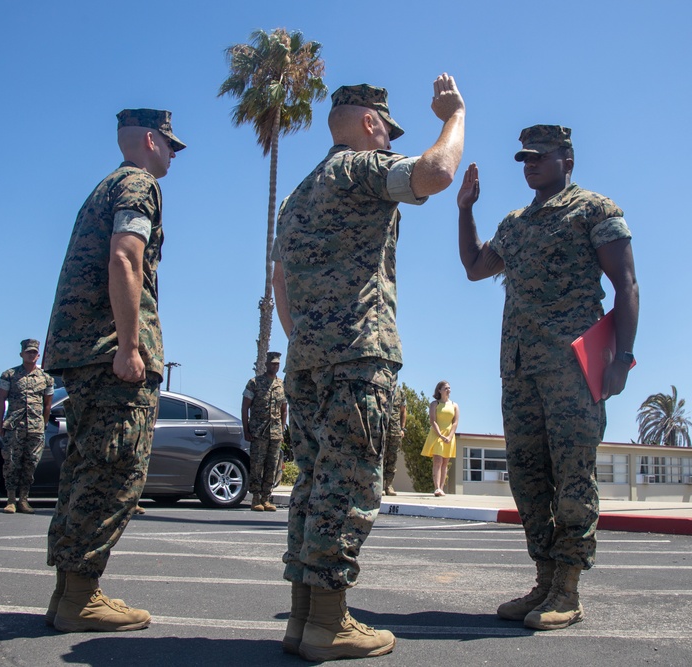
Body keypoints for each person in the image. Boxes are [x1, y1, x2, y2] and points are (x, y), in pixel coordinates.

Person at [272, 75, 466, 661]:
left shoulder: (299, 194)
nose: (388, 145)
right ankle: (328, 625)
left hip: (308, 360)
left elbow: (280, 282)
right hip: (358, 355)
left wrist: (308, 340)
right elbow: (435, 174)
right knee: (349, 485)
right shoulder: (357, 168)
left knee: (312, 485)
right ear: (371, 124)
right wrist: (455, 116)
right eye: (387, 133)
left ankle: (304, 618)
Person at [456, 125, 638, 631]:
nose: (529, 164)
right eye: (524, 158)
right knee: (528, 476)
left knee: (572, 475)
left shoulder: (595, 211)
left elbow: (626, 285)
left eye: (539, 156)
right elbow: (475, 266)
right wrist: (466, 209)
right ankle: (543, 579)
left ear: (567, 159)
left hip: (572, 369)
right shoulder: (515, 224)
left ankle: (569, 589)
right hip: (519, 370)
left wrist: (622, 357)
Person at [42, 108, 185, 633]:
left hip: (82, 351)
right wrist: (129, 347)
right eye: (171, 144)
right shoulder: (138, 185)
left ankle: (70, 594)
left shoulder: (105, 186)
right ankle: (80, 597)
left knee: (85, 471)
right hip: (109, 353)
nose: (173, 154)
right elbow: (125, 258)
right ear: (150, 140)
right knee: (114, 472)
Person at [0, 338, 54, 514]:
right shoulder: (9, 375)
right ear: (21, 354)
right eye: (28, 352)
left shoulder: (46, 378)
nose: (31, 355)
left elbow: (47, 405)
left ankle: (24, 500)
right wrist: (0, 425)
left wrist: (43, 424)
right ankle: (11, 500)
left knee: (31, 463)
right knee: (12, 462)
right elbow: (1, 400)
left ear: (38, 355)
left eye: (34, 352)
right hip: (15, 425)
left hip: (35, 427)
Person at [242, 351, 288, 511]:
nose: (275, 366)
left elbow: (284, 409)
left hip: (275, 433)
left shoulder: (281, 385)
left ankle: (267, 498)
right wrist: (246, 429)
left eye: (277, 364)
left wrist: (282, 430)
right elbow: (245, 406)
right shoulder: (254, 383)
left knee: (272, 465)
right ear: (266, 364)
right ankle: (255, 498)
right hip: (258, 431)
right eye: (272, 363)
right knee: (256, 466)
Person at [420, 380, 459, 496]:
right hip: (437, 434)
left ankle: (442, 488)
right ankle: (436, 488)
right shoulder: (434, 404)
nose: (448, 390)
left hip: (449, 435)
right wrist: (440, 435)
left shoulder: (454, 405)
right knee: (437, 460)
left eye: (449, 388)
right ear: (439, 390)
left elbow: (455, 422)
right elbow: (432, 421)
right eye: (445, 388)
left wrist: (450, 436)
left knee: (445, 463)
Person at [383, 385, 406, 496]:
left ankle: (389, 486)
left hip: (395, 430)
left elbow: (403, 411)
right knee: (380, 458)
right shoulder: (381, 388)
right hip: (382, 429)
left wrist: (402, 428)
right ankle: (380, 486)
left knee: (392, 459)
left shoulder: (400, 392)